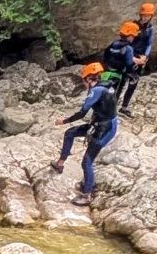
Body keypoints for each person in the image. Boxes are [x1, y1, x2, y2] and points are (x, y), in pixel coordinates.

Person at [51, 60, 120, 206]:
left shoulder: (96, 90)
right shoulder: (106, 86)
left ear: (89, 79)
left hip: (104, 128)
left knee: (86, 162)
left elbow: (82, 112)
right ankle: (60, 164)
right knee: (70, 133)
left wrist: (64, 120)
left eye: (84, 80)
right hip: (102, 123)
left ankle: (87, 195)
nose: (83, 83)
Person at [120, 2, 156, 114]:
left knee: (133, 83)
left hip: (140, 57)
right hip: (130, 55)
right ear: (140, 15)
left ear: (151, 16)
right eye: (144, 15)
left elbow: (149, 43)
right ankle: (113, 104)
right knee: (121, 81)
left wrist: (145, 56)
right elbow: (126, 41)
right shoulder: (133, 25)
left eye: (148, 15)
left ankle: (124, 107)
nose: (145, 17)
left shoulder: (150, 28)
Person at [100, 21, 140, 86]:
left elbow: (105, 56)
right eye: (134, 36)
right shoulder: (129, 49)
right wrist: (135, 76)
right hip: (116, 77)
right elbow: (129, 67)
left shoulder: (113, 44)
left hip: (105, 74)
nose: (134, 38)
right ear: (130, 36)